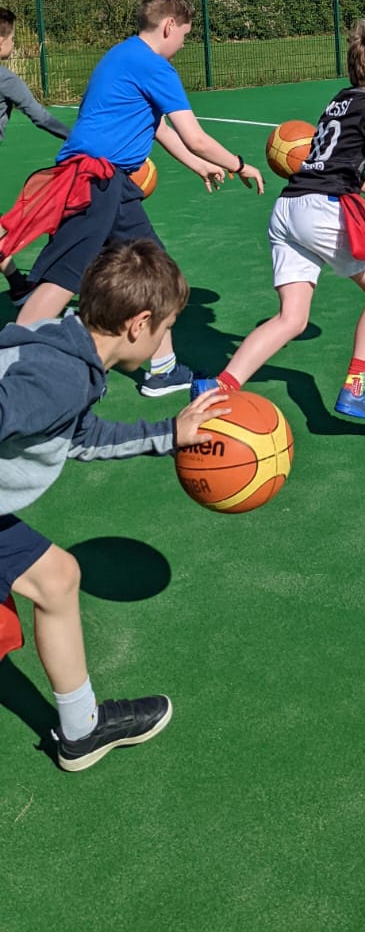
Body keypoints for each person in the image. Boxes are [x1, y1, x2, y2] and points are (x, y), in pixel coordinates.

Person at [0, 239, 230, 772]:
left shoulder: (63, 348)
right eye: (167, 327)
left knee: (55, 578)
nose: (165, 337)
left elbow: (76, 437)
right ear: (138, 323)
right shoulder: (58, 378)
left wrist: (170, 433)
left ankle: (81, 731)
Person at [5, 0, 264, 397]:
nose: (183, 44)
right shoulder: (153, 66)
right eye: (184, 35)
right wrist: (239, 163)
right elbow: (194, 136)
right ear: (169, 26)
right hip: (92, 181)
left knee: (156, 270)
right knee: (62, 279)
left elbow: (157, 126)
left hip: (114, 185)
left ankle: (163, 370)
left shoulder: (122, 55)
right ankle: (8, 364)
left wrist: (198, 166)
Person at [197, 20, 365, 426]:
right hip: (321, 210)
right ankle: (358, 386)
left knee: (291, 319)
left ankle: (218, 386)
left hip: (288, 209)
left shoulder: (339, 101)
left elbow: (344, 168)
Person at [0, 7, 71, 303]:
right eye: (12, 37)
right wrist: (78, 138)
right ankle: (18, 285)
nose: (13, 43)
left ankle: (17, 284)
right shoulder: (6, 79)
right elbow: (41, 117)